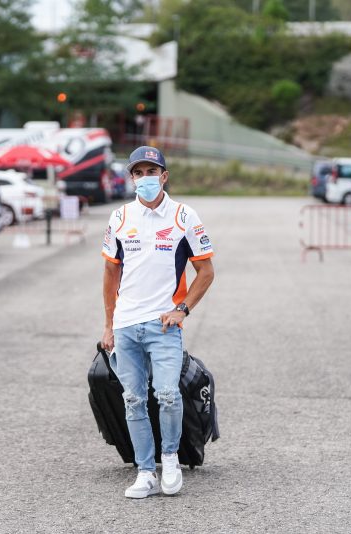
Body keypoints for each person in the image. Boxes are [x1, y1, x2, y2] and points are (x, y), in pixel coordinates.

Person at [100, 146, 215, 498]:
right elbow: (109, 273)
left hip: (164, 325)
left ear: (164, 176)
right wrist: (108, 324)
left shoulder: (184, 216)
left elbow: (206, 272)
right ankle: (145, 471)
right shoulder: (119, 217)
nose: (145, 179)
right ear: (131, 178)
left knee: (166, 394)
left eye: (152, 172)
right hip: (126, 324)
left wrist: (182, 309)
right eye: (138, 173)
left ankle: (169, 459)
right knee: (133, 400)